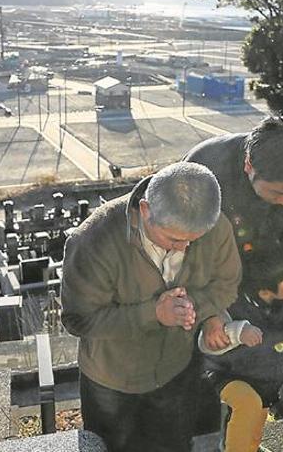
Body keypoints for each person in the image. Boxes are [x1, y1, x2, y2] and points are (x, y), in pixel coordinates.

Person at [61, 162, 242, 452]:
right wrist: (153, 314)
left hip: (176, 371)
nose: (183, 248)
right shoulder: (94, 241)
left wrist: (197, 310)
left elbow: (226, 284)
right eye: (173, 239)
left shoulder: (212, 225)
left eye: (192, 241)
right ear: (145, 211)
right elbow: (77, 319)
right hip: (112, 383)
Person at [184, 116, 283, 437]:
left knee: (262, 374)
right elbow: (184, 252)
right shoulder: (204, 169)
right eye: (276, 192)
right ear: (248, 165)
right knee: (211, 368)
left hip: (270, 286)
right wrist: (209, 311)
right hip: (211, 281)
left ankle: (250, 430)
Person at [199, 242, 283, 452]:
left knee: (256, 422)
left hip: (267, 377)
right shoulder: (232, 301)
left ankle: (250, 447)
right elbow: (206, 343)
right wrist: (237, 332)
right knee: (247, 403)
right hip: (226, 373)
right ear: (265, 291)